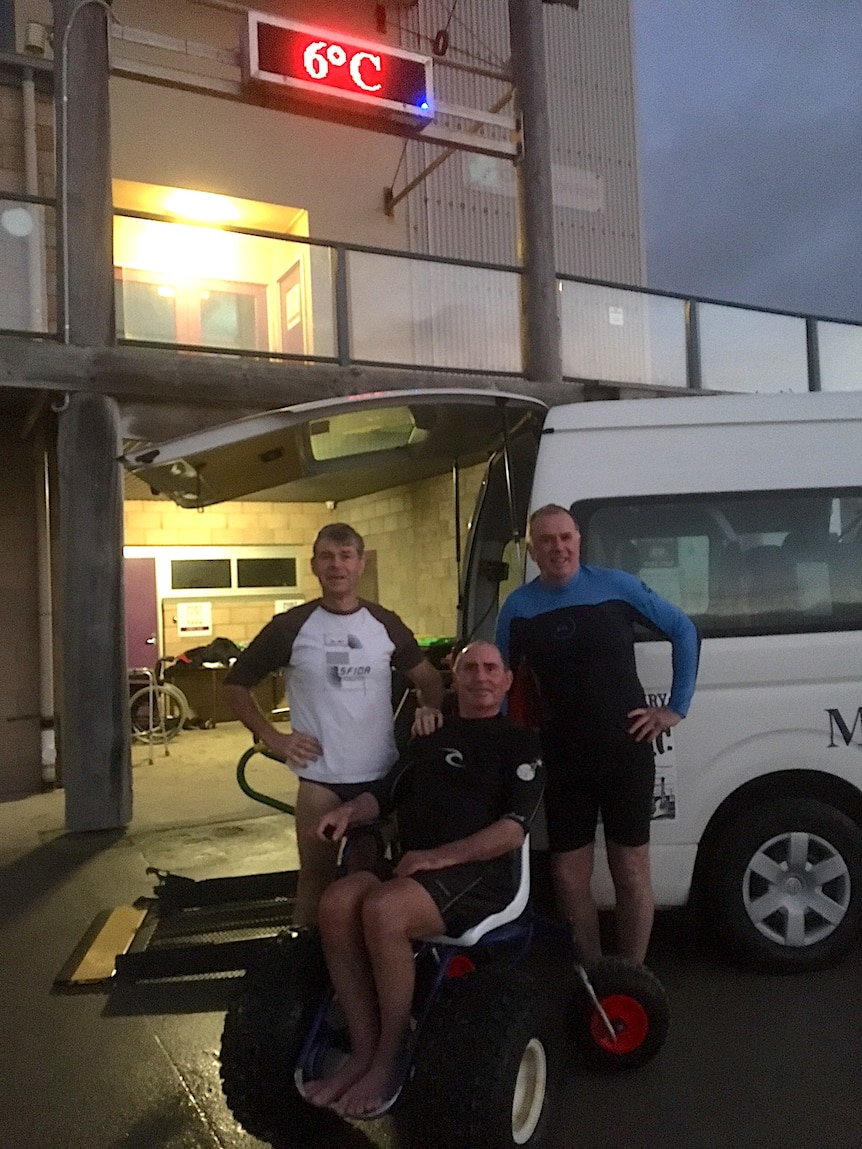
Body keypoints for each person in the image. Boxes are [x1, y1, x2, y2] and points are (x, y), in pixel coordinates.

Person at [302, 640, 544, 1119]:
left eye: (491, 668)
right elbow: (385, 795)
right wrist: (349, 812)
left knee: (384, 909)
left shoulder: (521, 742)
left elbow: (513, 830)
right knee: (334, 903)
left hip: (482, 877)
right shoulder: (430, 735)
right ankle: (364, 1050)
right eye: (470, 668)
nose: (481, 677)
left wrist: (438, 857)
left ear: (507, 681)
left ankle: (391, 1055)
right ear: (454, 679)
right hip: (415, 870)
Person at [495, 504, 699, 966]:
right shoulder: (519, 609)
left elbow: (684, 630)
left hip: (625, 751)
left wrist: (675, 708)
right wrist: (507, 745)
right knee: (568, 877)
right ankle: (591, 974)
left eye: (566, 537)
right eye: (546, 540)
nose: (558, 547)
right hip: (561, 758)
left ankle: (631, 973)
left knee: (629, 870)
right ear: (532, 549)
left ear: (578, 540)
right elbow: (502, 681)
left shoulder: (616, 587)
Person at [222, 523, 444, 925]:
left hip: (380, 779)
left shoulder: (385, 623)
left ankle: (359, 973)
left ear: (360, 564)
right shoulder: (290, 627)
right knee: (317, 880)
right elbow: (236, 686)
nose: (336, 565)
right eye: (327, 556)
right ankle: (306, 970)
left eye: (345, 556)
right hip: (320, 781)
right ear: (314, 565)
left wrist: (429, 707)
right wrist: (273, 738)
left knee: (369, 880)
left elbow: (429, 680)